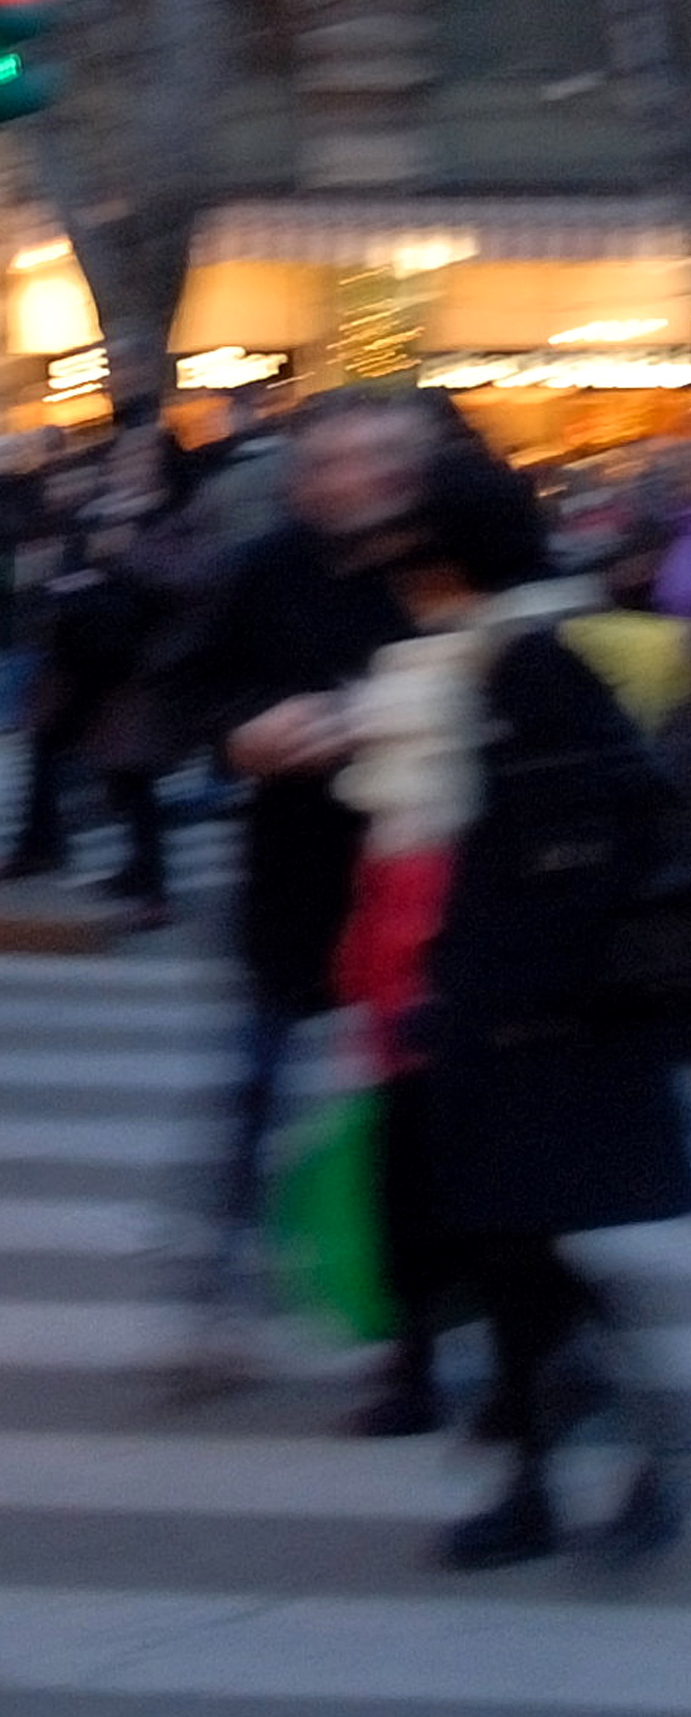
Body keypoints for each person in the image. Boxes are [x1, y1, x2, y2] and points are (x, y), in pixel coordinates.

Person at [232, 458, 687, 1566]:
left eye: (407, 560)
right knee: (504, 1255)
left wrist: (486, 994)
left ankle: (598, 1465)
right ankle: (566, 1473)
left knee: (511, 1253)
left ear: (448, 564)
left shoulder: (527, 665)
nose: (392, 582)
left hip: (525, 1024)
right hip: (483, 1013)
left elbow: (570, 850)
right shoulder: (479, 661)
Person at [153, 391, 445, 1313]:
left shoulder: (449, 564)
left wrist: (381, 722)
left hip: (423, 874)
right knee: (255, 1080)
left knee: (423, 1102)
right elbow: (189, 688)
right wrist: (243, 733)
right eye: (323, 462)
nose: (347, 479)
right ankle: (222, 1266)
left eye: (371, 457)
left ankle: (434, 1297)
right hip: (294, 866)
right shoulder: (262, 569)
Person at [3, 395, 192, 921]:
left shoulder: (170, 518)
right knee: (48, 748)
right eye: (122, 459)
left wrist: (124, 555)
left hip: (135, 666)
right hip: (78, 661)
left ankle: (152, 887)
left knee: (132, 775)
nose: (124, 467)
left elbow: (190, 579)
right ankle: (43, 844)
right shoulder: (93, 515)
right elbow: (62, 572)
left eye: (137, 460)